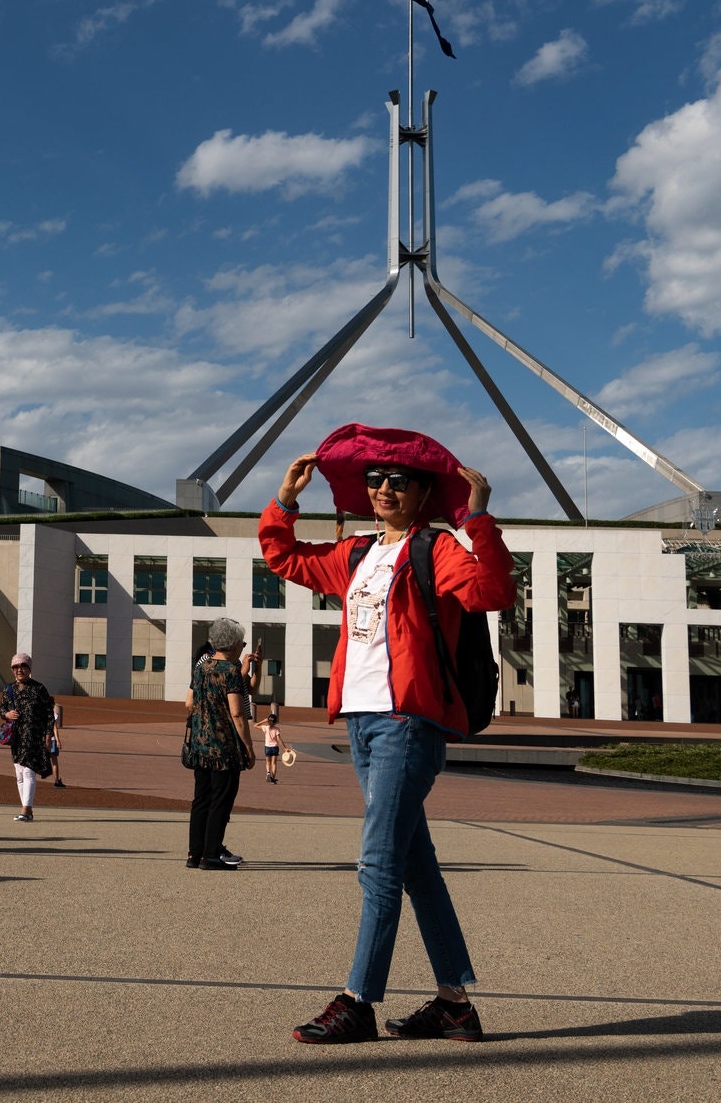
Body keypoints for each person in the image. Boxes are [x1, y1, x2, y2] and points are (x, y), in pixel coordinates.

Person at [262, 424, 515, 1045]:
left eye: (397, 479)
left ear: (423, 492)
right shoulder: (356, 554)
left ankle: (358, 1002)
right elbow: (284, 557)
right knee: (413, 864)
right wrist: (285, 502)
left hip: (408, 721)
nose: (382, 488)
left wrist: (479, 521)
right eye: (374, 478)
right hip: (362, 721)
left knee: (377, 862)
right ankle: (455, 1006)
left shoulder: (439, 549)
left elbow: (494, 590)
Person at [182, 619, 253, 870]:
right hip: (224, 748)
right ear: (233, 643)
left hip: (201, 745)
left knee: (200, 798)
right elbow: (237, 714)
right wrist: (249, 747)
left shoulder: (201, 669)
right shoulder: (231, 671)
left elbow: (189, 704)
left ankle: (194, 853)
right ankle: (211, 855)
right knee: (220, 800)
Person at [0, 653, 55, 822]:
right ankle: (26, 811)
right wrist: (7, 714)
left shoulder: (39, 689)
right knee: (19, 773)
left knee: (29, 771)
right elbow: (1, 709)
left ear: (29, 669)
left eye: (23, 666)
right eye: (15, 667)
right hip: (16, 737)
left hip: (34, 736)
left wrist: (48, 734)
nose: (19, 670)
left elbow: (49, 714)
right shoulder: (9, 689)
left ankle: (26, 809)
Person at [260, 703, 286, 784]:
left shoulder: (265, 727)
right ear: (275, 722)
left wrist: (263, 721)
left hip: (267, 747)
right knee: (274, 763)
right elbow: (279, 739)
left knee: (268, 762)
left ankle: (268, 773)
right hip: (275, 747)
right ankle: (273, 779)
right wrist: (285, 748)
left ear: (268, 721)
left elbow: (255, 725)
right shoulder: (277, 729)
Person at [50, 701, 68, 788]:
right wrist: (58, 741)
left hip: (40, 741)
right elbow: (55, 729)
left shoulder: (38, 714)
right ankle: (56, 781)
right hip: (52, 740)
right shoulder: (52, 715)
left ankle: (27, 780)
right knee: (54, 761)